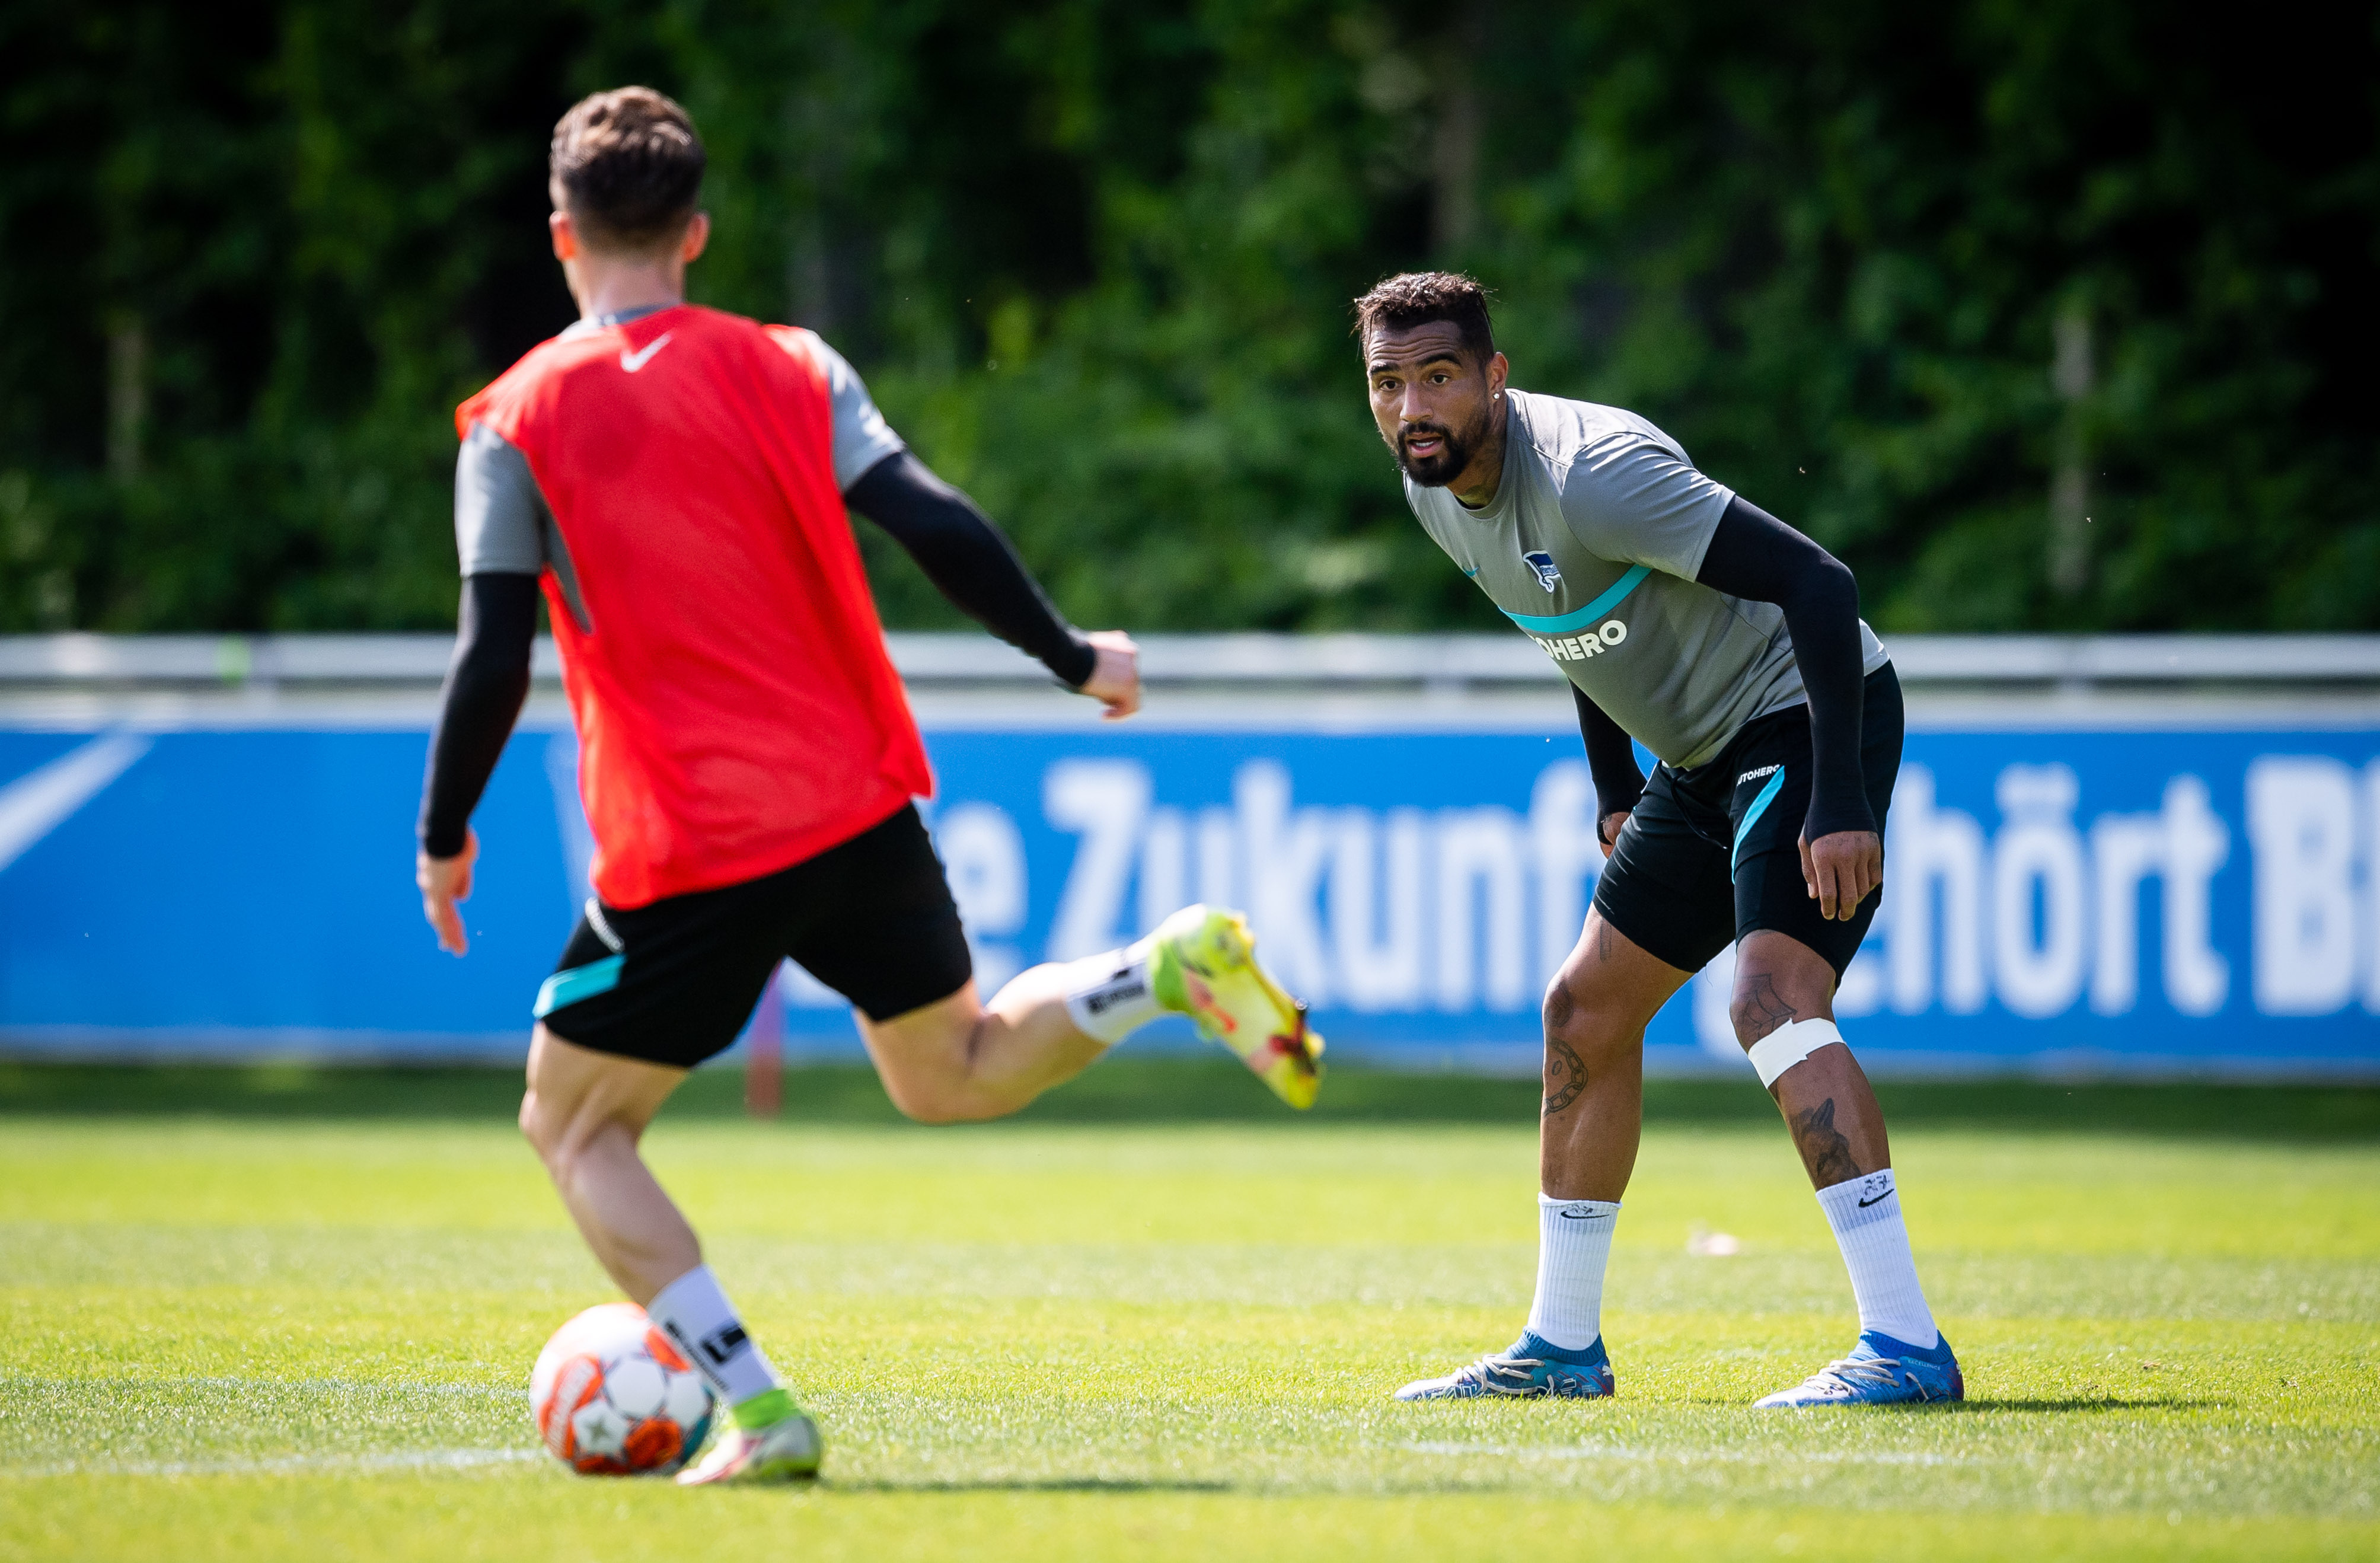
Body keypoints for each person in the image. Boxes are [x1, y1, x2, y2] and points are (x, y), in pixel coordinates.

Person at [413, 87, 1323, 1485]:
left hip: (691, 838)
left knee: (573, 1120)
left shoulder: (515, 418)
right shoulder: (796, 364)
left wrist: (444, 831)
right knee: (949, 1072)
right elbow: (931, 519)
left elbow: (493, 652)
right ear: (697, 234)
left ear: (560, 236)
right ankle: (1160, 967)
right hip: (853, 804)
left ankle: (760, 1407)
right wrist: (1074, 655)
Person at [1357, 272, 1959, 1409]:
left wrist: (1840, 800)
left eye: (1437, 376)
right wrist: (1614, 786)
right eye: (1388, 384)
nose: (1411, 407)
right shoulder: (1432, 487)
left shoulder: (1595, 475)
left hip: (1801, 710)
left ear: (1495, 375)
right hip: (1691, 758)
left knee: (1769, 1001)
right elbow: (1573, 622)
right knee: (1583, 1010)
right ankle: (1561, 1347)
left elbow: (1816, 584)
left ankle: (1905, 1347)